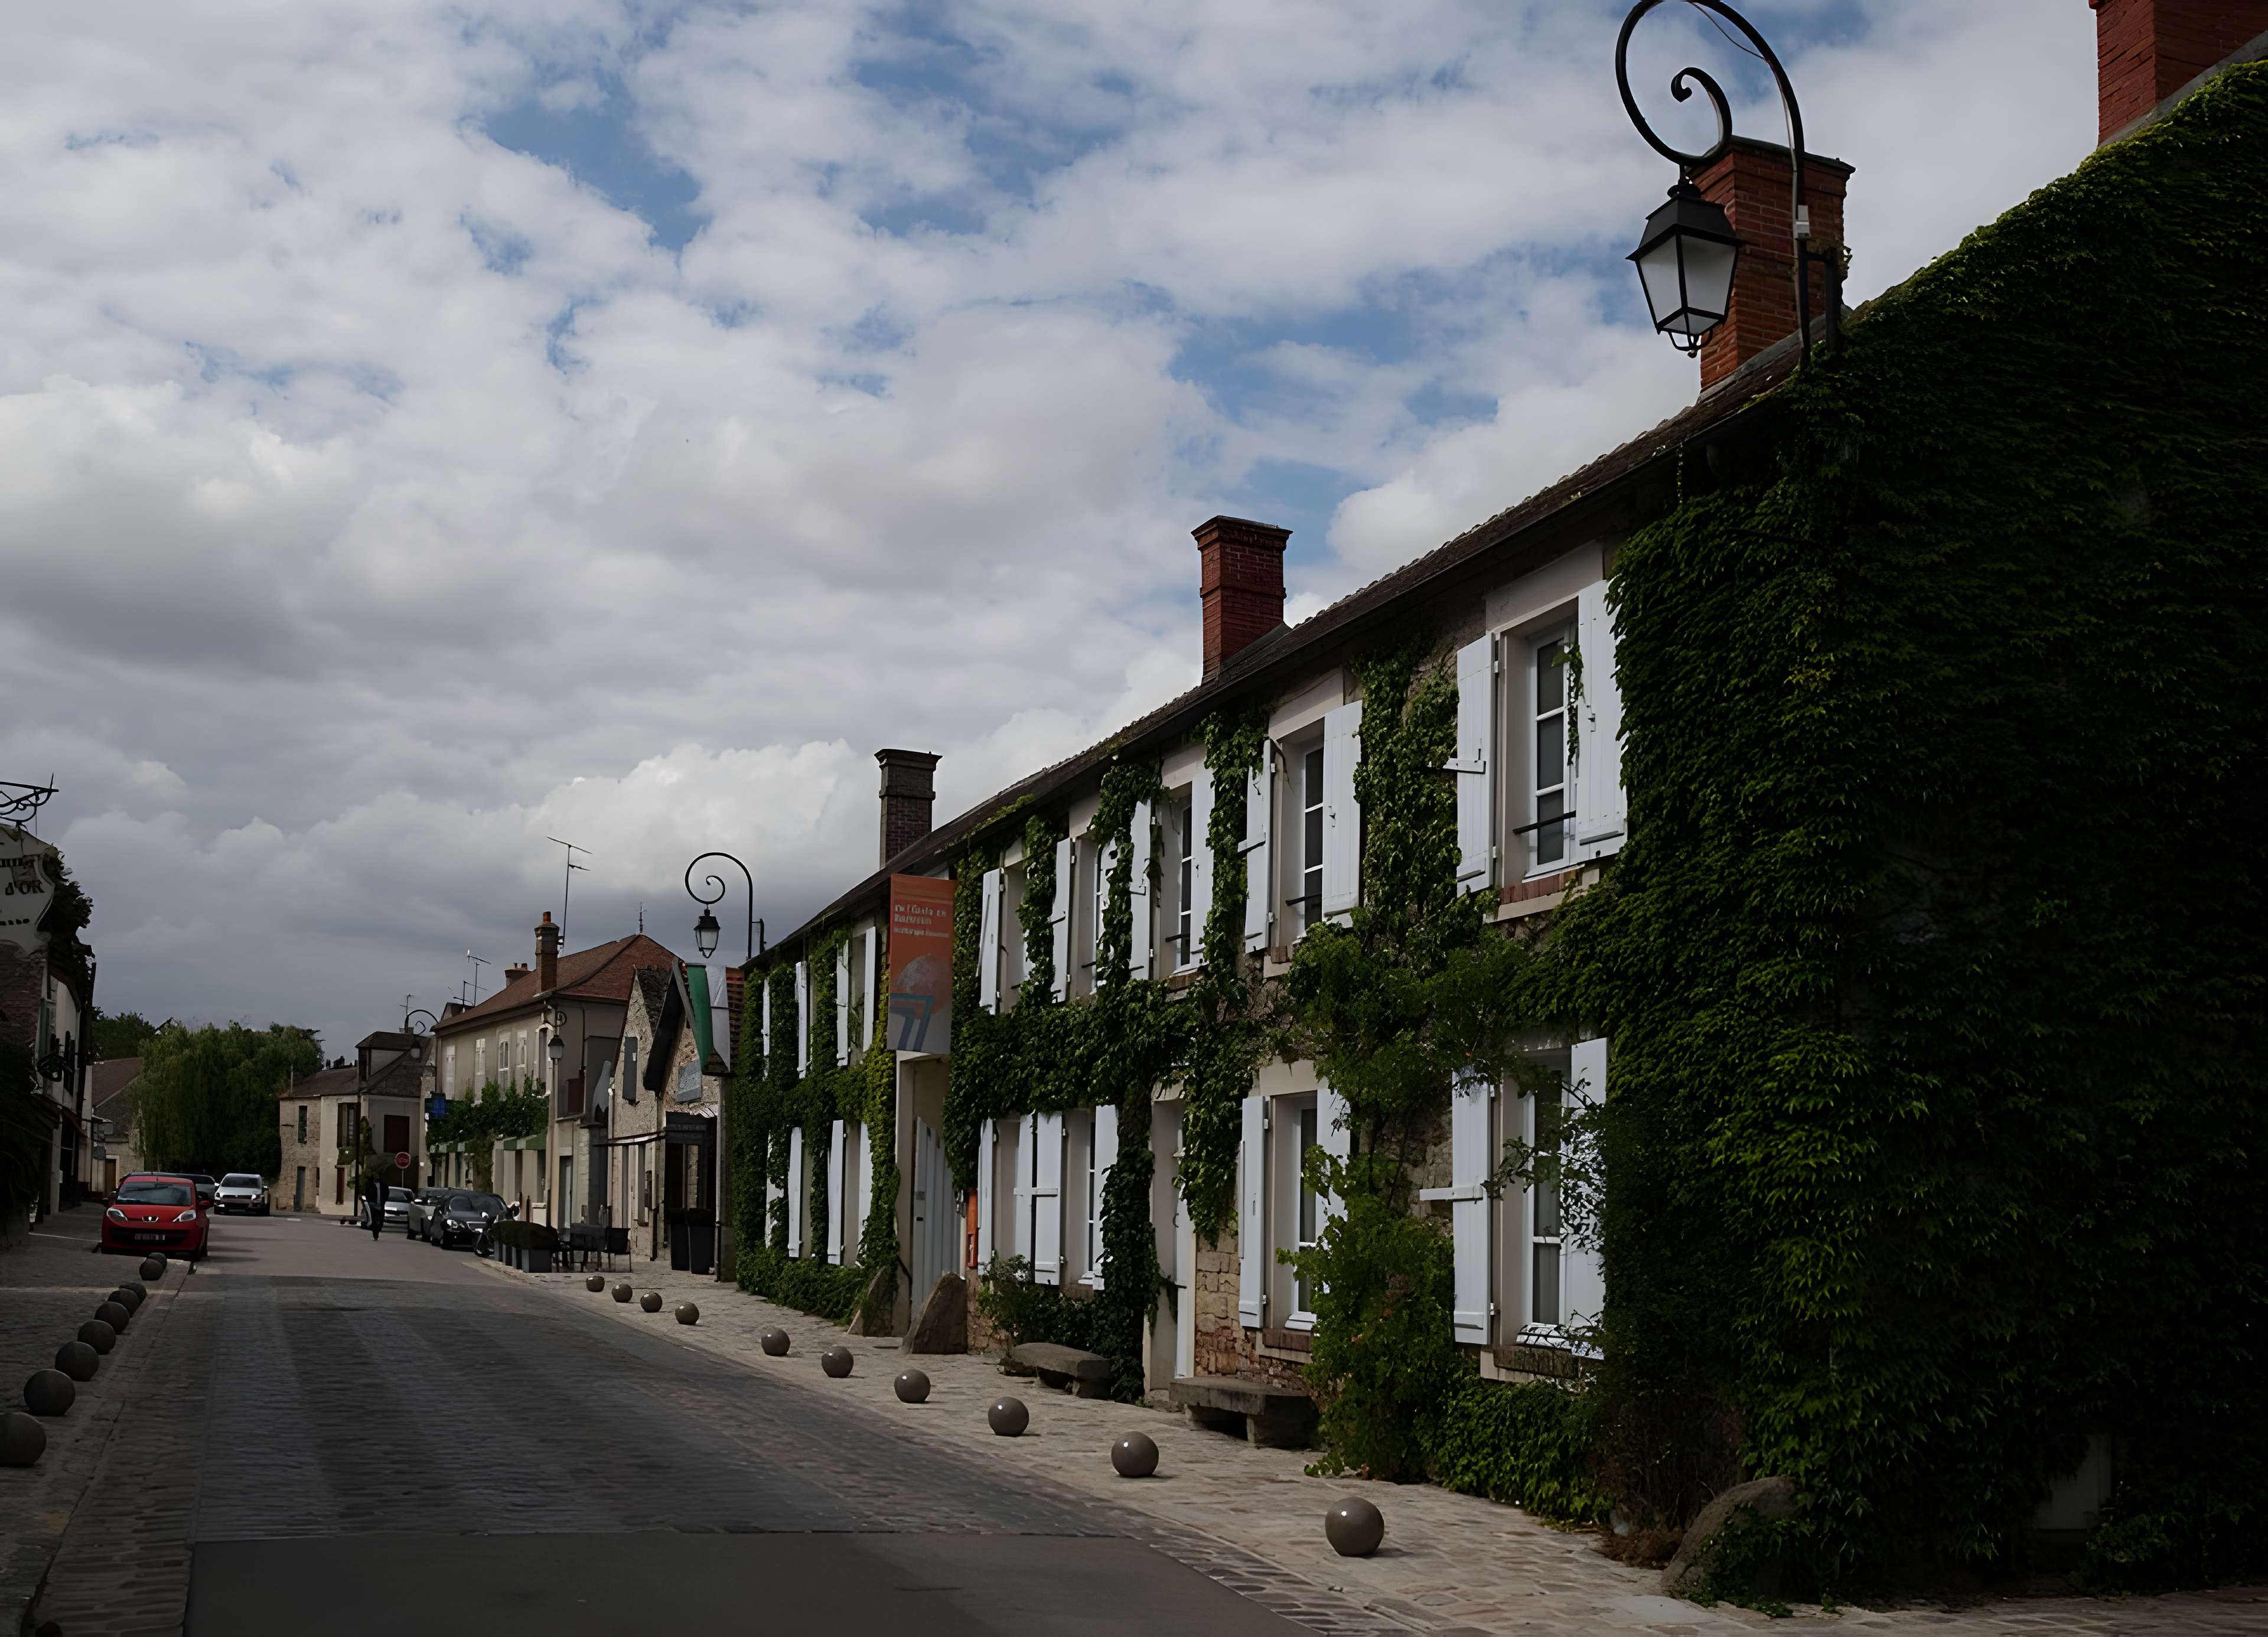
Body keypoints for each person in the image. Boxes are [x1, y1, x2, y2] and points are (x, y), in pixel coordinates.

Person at [366, 1173, 384, 1240]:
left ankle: (378, 1230)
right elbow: (367, 1193)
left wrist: (384, 1201)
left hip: (381, 1205)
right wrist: (369, 1201)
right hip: (373, 1205)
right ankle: (375, 1234)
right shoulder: (370, 1185)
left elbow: (386, 1193)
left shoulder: (383, 1185)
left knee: (380, 1220)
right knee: (374, 1220)